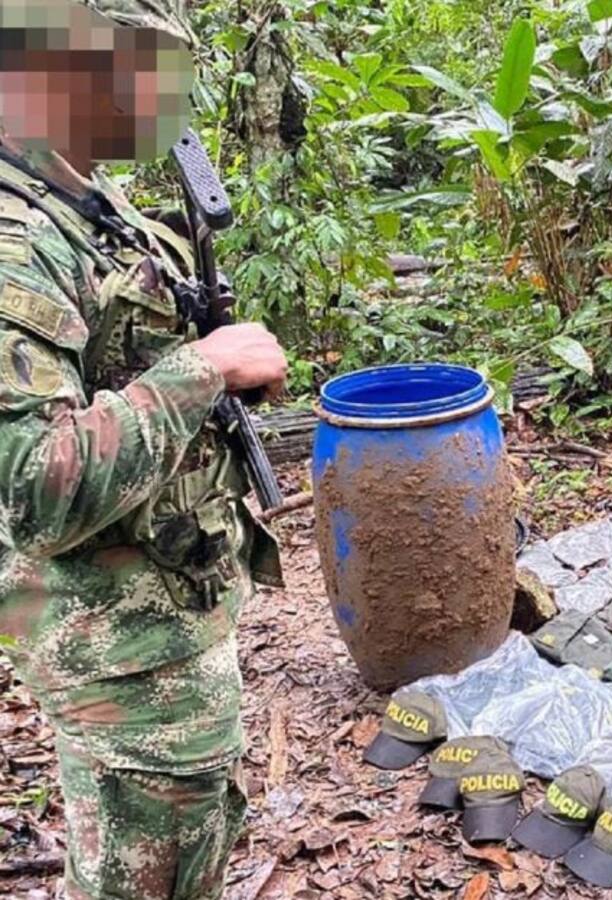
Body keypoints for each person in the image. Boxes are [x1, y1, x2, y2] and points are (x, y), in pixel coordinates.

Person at [0, 1, 286, 896]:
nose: (167, 93)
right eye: (143, 63)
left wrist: (215, 366)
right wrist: (201, 369)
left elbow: (115, 359)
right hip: (109, 647)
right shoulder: (14, 238)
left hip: (160, 615)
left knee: (185, 845)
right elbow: (31, 491)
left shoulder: (80, 193)